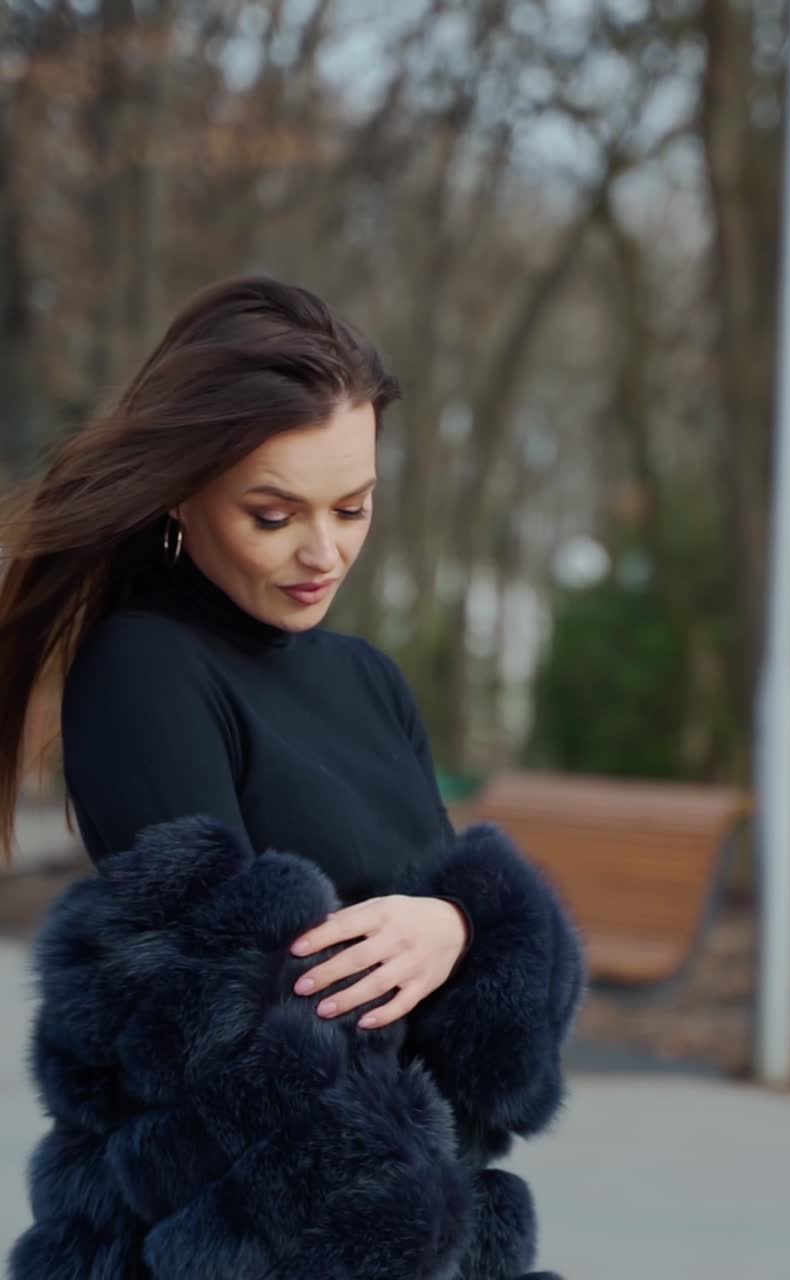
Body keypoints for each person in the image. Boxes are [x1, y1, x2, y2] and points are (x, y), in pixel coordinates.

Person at [0, 274, 582, 1277]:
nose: (323, 551)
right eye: (272, 515)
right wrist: (405, 1231)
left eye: (353, 506)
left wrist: (460, 926)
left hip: (422, 1232)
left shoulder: (369, 680)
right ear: (184, 490)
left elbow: (495, 1063)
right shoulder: (144, 666)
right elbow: (214, 1030)